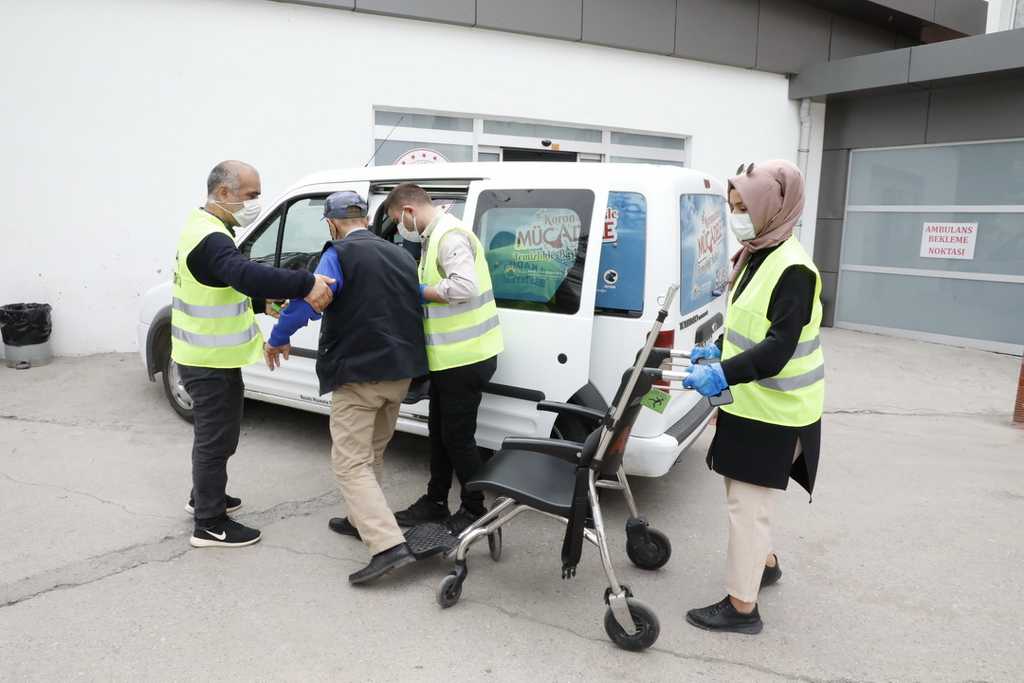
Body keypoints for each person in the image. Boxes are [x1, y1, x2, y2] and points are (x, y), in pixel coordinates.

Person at [682, 160, 824, 635]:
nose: (737, 214)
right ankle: (765, 564)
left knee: (746, 507)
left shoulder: (794, 270)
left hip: (777, 411)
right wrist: (718, 349)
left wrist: (721, 370)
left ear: (773, 206)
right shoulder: (758, 252)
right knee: (748, 499)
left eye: (744, 207)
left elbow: (778, 349)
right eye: (733, 205)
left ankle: (742, 608)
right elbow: (752, 327)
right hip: (750, 402)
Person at [264, 191, 428, 584]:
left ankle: (387, 545)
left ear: (331, 222)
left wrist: (278, 336)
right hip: (401, 371)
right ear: (367, 219)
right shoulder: (402, 255)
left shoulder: (338, 253)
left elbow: (312, 299)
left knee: (349, 462)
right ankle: (361, 521)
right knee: (372, 451)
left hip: (360, 374)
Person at [174, 160, 335, 549]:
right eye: (252, 195)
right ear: (225, 193)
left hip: (209, 357)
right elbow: (243, 274)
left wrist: (264, 304)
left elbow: (223, 287)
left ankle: (204, 497)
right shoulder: (212, 238)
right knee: (216, 439)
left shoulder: (206, 227)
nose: (256, 202)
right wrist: (306, 281)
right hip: (208, 361)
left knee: (216, 437)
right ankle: (209, 524)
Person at [384, 184, 504, 535]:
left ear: (408, 210)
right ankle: (435, 502)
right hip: (449, 359)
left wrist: (418, 292)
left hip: (467, 358)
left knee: (459, 438)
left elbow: (463, 287)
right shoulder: (433, 236)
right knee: (439, 433)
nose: (399, 227)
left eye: (396, 220)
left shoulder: (449, 236)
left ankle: (476, 510)